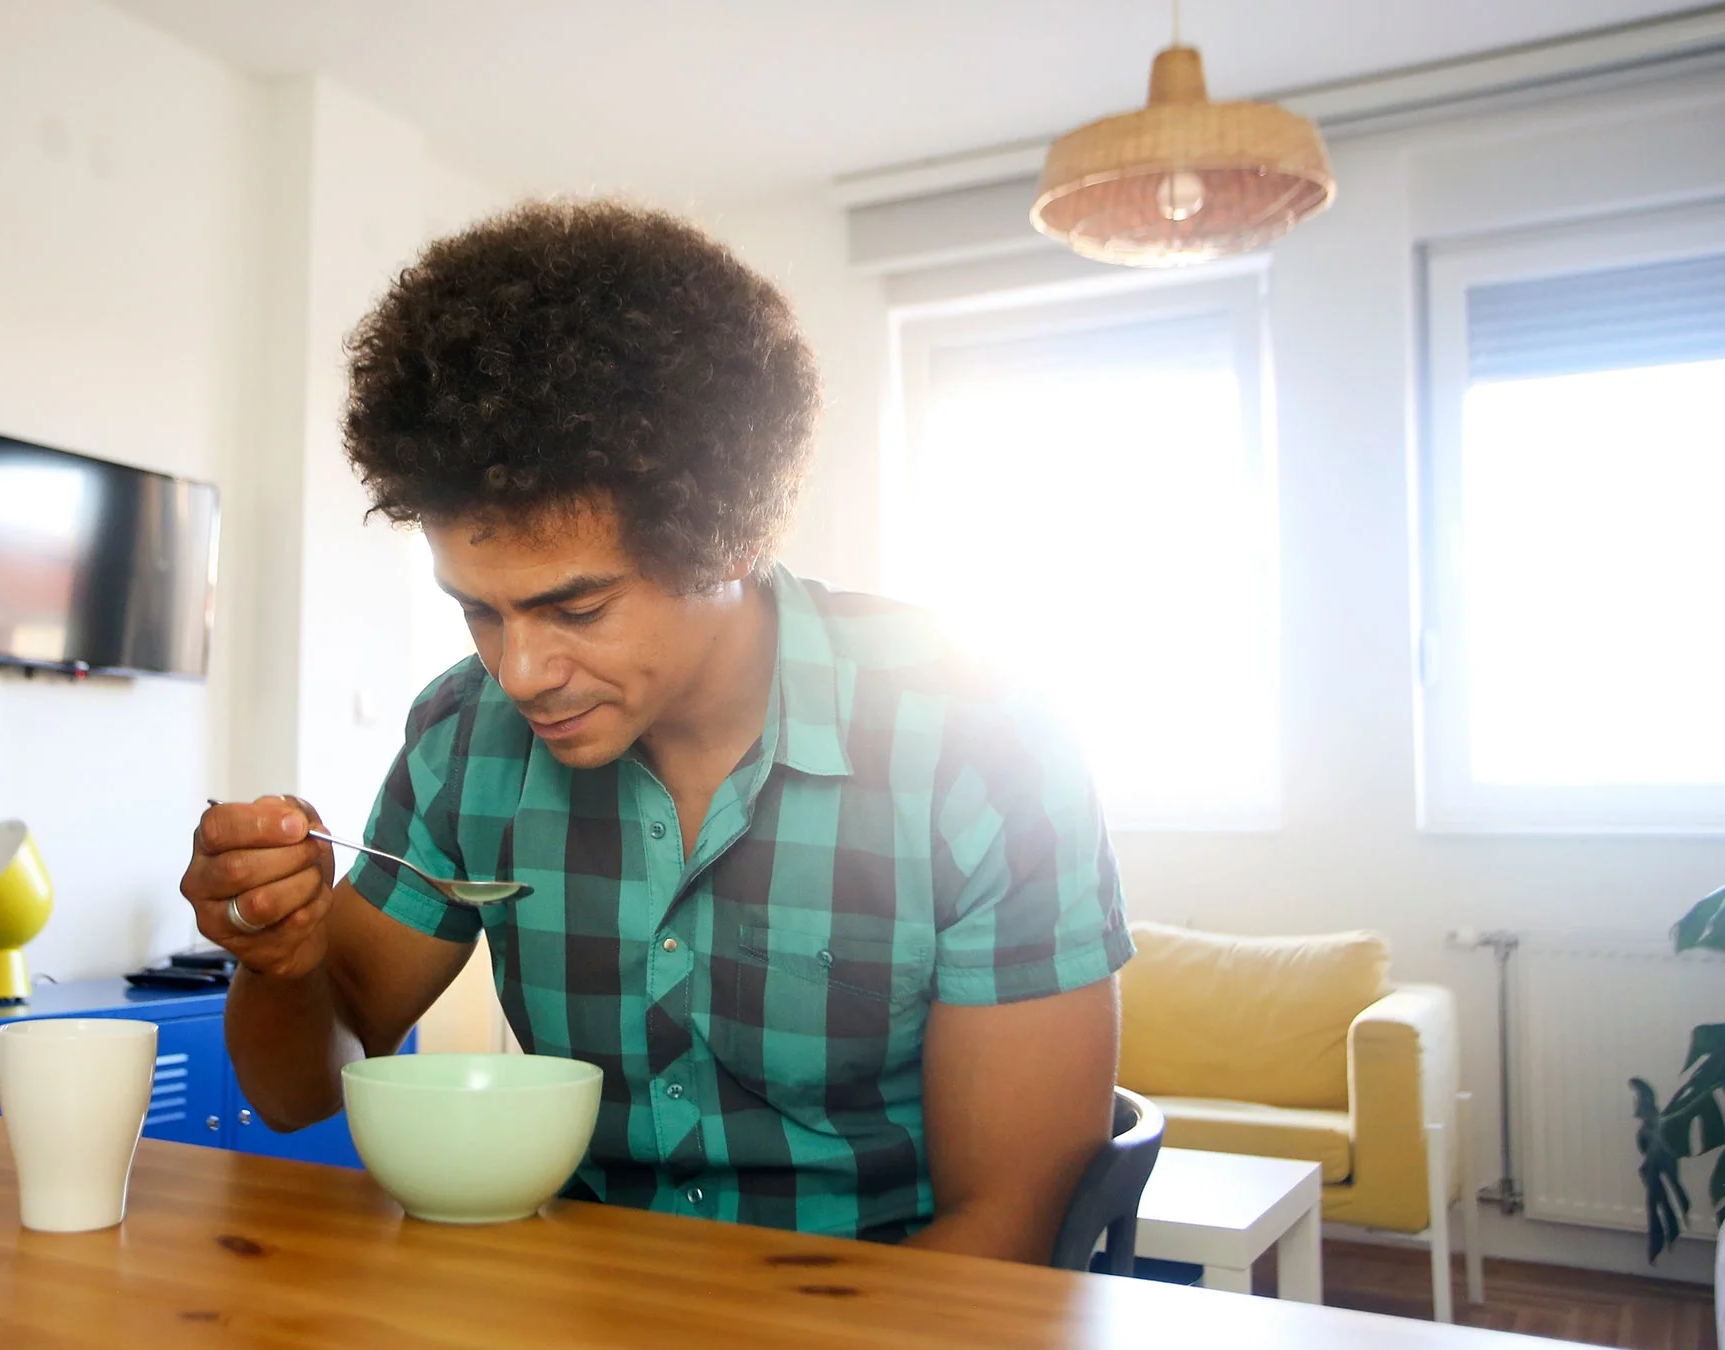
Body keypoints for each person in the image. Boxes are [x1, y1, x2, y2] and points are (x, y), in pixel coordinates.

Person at [180, 200, 1131, 1261]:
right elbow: (298, 1091)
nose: (521, 672)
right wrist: (279, 959)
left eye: (576, 608)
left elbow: (1009, 1231)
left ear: (725, 539)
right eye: (479, 610)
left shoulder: (981, 740)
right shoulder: (462, 739)